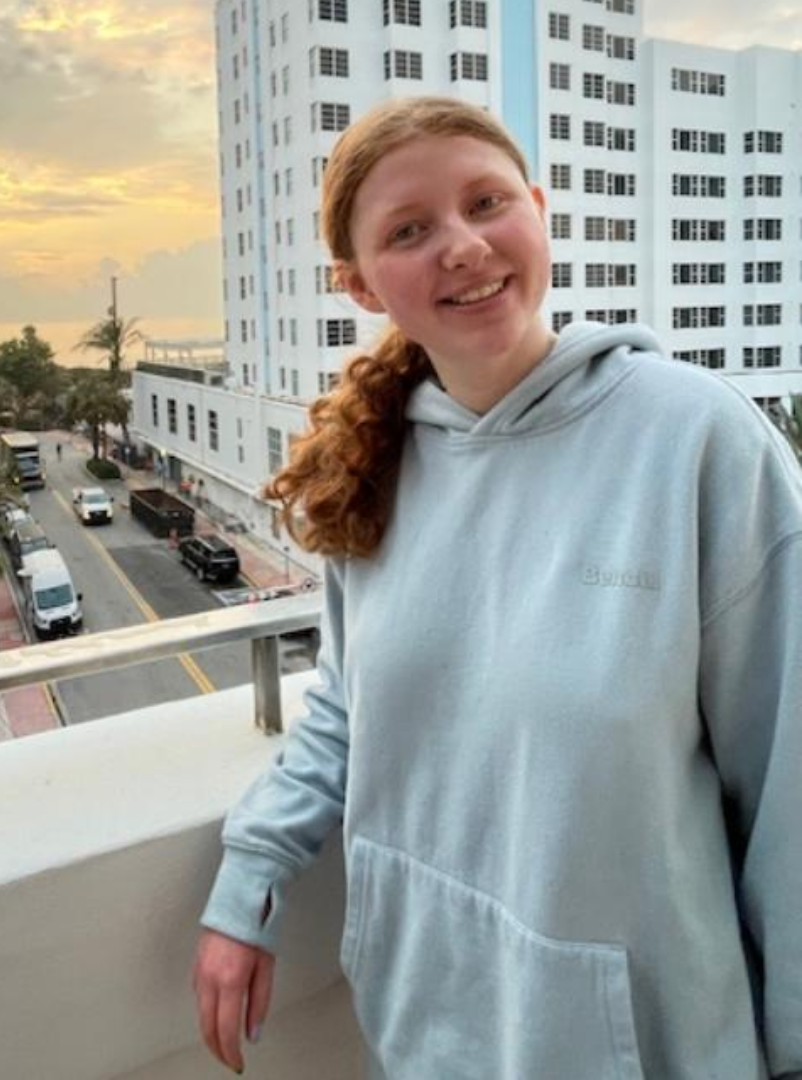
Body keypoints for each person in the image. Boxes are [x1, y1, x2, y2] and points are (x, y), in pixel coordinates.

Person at [192, 97, 802, 1079]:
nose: (464, 246)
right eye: (409, 230)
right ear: (358, 284)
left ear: (539, 208)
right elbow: (348, 715)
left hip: (648, 1047)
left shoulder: (697, 442)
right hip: (425, 1026)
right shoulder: (373, 472)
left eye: (486, 202)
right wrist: (251, 876)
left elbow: (790, 782)